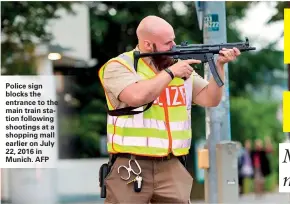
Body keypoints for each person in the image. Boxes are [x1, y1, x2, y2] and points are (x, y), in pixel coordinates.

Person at [98, 15, 241, 204]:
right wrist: (171, 73)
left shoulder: (175, 65)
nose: (174, 46)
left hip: (172, 165)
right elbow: (137, 96)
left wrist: (220, 66)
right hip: (131, 165)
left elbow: (210, 98)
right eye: (167, 43)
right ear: (148, 45)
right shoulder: (119, 67)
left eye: (173, 39)